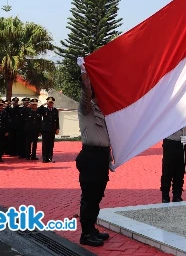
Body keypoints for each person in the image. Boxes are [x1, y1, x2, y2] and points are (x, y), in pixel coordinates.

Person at [75, 57, 113, 247]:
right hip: (90, 156)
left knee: (98, 194)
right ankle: (85, 234)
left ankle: (92, 228)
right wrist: (84, 74)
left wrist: (110, 158)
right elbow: (85, 92)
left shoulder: (103, 112)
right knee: (89, 196)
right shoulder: (86, 108)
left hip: (101, 157)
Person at [160, 121, 186, 203]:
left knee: (180, 171)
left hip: (182, 144)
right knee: (167, 171)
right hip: (170, 142)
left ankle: (177, 195)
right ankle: (165, 196)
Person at [38, 97, 59, 162]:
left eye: (52, 103)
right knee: (45, 144)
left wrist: (57, 128)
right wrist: (44, 104)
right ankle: (44, 158)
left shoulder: (55, 110)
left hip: (52, 129)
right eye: (49, 102)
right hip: (45, 129)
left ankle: (50, 157)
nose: (51, 104)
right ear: (47, 103)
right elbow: (37, 110)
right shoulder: (44, 109)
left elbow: (57, 120)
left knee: (51, 144)